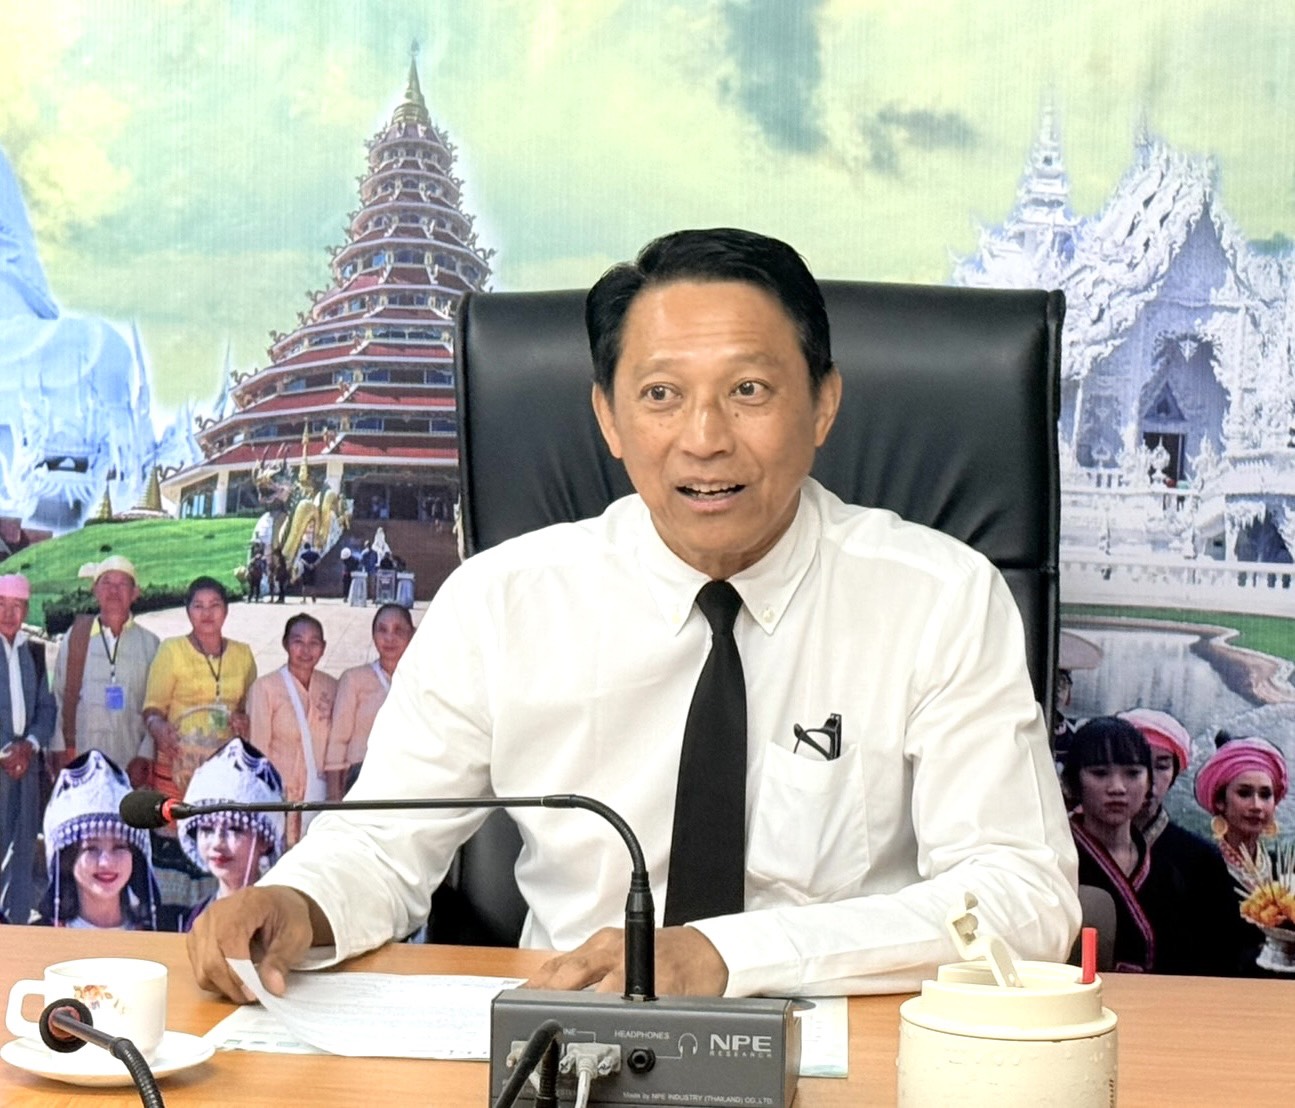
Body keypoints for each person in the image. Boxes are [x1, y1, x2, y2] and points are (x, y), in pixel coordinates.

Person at [188, 227, 1079, 1003]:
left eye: (748, 391)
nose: (704, 438)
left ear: (823, 405)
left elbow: (1023, 895)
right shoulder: (502, 601)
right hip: (568, 1041)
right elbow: (381, 845)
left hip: (842, 1045)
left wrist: (723, 958)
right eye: (660, 395)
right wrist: (294, 904)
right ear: (608, 420)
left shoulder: (937, 598)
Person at [141, 576, 257, 926]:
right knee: (174, 853)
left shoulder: (242, 655)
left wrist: (244, 720)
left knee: (216, 847)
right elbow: (152, 709)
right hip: (176, 770)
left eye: (215, 605)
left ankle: (212, 929)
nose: (207, 614)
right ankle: (170, 931)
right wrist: (159, 729)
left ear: (226, 611)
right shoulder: (172, 651)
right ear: (188, 611)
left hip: (222, 777)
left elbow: (250, 708)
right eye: (198, 606)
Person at [1119, 708, 1241, 976]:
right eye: (1135, 765)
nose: (1148, 779)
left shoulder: (1201, 860)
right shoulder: (1078, 848)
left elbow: (1222, 957)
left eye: (1162, 765)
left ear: (1175, 773)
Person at [50, 555, 160, 784]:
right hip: (81, 760)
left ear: (135, 593)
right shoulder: (76, 636)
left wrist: (145, 754)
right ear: (95, 590)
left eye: (122, 584)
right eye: (106, 582)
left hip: (130, 763)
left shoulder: (150, 644)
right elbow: (58, 695)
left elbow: (157, 706)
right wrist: (59, 747)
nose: (113, 590)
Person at [1061, 717, 1156, 972]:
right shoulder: (1056, 859)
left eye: (1133, 773)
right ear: (1073, 781)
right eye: (1100, 773)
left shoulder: (1178, 865)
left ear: (1149, 782)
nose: (1117, 788)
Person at [34, 750, 160, 929]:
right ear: (68, 859)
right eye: (91, 848)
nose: (106, 862)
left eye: (119, 847)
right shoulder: (41, 938)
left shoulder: (156, 936)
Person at [247, 614, 337, 847]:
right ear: (285, 643)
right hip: (280, 798)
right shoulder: (265, 688)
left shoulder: (332, 686)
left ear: (323, 647)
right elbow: (258, 751)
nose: (306, 650)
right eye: (298, 641)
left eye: (313, 642)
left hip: (320, 797)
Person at [177, 739, 285, 931]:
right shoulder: (192, 919)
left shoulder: (281, 920)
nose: (217, 842)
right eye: (207, 829)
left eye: (235, 829)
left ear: (265, 841)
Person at [0, 573, 57, 925]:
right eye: (2, 605)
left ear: (26, 609)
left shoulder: (34, 652)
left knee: (22, 848)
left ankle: (16, 926)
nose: (9, 614)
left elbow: (46, 708)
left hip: (27, 765)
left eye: (17, 606)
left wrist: (30, 745)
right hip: (3, 763)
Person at [324, 604, 416, 799]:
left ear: (412, 634)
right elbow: (338, 740)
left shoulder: (422, 680)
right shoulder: (354, 679)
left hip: (410, 778)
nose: (389, 638)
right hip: (363, 777)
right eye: (382, 630)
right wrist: (333, 796)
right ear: (373, 635)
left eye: (398, 630)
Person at [1194, 733, 1288, 886]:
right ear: (1220, 801)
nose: (1256, 805)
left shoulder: (1285, 869)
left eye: (1265, 795)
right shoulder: (1198, 870)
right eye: (1244, 793)